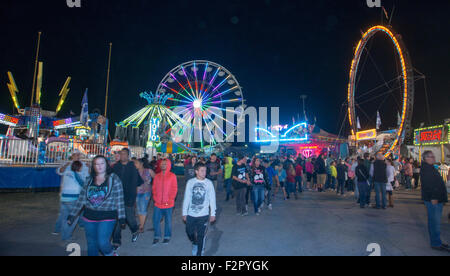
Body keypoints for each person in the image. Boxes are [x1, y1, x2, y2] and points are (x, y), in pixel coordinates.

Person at [67, 155, 126, 256]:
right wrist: (72, 215)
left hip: (107, 216)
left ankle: (111, 253)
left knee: (102, 243)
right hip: (89, 216)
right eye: (96, 164)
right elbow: (81, 199)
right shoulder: (89, 180)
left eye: (102, 163)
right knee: (91, 244)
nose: (99, 166)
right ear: (93, 166)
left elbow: (119, 199)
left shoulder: (114, 179)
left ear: (106, 165)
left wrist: (122, 217)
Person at [182, 162, 216, 256]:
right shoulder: (190, 182)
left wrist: (213, 213)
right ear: (196, 171)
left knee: (200, 236)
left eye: (205, 170)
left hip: (203, 214)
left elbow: (212, 199)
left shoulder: (209, 183)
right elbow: (187, 198)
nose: (204, 172)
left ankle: (199, 252)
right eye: (202, 170)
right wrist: (184, 212)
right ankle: (195, 243)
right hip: (191, 214)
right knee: (189, 232)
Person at [112, 148, 143, 249]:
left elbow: (138, 182)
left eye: (125, 154)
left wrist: (133, 196)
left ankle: (135, 230)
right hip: (116, 198)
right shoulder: (116, 167)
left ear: (128, 155)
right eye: (121, 154)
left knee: (130, 218)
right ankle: (116, 241)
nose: (123, 155)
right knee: (117, 219)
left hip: (129, 198)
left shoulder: (132, 167)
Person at [53, 158, 89, 241]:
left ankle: (63, 234)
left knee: (64, 217)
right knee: (73, 218)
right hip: (73, 198)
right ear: (79, 167)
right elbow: (83, 184)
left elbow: (59, 171)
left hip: (64, 197)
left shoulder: (66, 172)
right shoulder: (76, 174)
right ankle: (67, 236)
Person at [420, 151, 449, 252]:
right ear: (425, 158)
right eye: (431, 156)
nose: (433, 158)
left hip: (436, 198)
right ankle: (436, 243)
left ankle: (437, 241)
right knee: (435, 222)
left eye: (433, 156)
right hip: (433, 199)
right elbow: (430, 185)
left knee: (435, 222)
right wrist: (434, 197)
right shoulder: (427, 169)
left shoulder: (429, 167)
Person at [152, 159, 178, 245]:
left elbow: (174, 189)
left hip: (168, 204)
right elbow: (154, 188)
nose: (163, 165)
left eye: (165, 164)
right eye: (162, 164)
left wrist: (170, 200)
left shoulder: (172, 176)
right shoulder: (157, 176)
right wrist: (155, 198)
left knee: (168, 221)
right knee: (155, 220)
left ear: (169, 165)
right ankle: (157, 236)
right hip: (158, 203)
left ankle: (167, 236)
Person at [134, 158, 155, 233]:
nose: (135, 165)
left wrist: (154, 188)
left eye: (136, 163)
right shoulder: (134, 172)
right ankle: (141, 223)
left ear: (141, 164)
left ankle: (141, 226)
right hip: (137, 192)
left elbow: (156, 178)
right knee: (139, 209)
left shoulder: (148, 171)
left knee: (143, 208)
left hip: (146, 192)